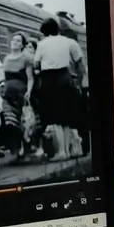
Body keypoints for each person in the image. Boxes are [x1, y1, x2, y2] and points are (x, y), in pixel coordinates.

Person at [34, 17, 87, 159]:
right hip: (65, 76)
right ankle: (71, 150)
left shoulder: (42, 44)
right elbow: (80, 63)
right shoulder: (70, 42)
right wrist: (81, 81)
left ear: (44, 32)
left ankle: (61, 151)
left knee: (55, 117)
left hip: (49, 79)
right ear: (58, 29)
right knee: (67, 116)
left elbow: (36, 64)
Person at [1, 32, 35, 158]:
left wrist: (29, 91)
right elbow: (3, 78)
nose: (14, 43)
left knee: (23, 122)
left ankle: (25, 147)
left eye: (18, 41)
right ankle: (16, 148)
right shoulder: (6, 59)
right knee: (10, 121)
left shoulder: (26, 59)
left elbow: (30, 78)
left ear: (22, 45)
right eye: (13, 40)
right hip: (8, 95)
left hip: (21, 94)